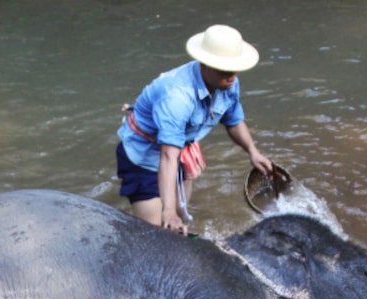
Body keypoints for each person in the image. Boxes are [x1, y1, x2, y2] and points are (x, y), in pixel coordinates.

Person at [116, 24, 275, 235]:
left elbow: (233, 120)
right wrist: (168, 211)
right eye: (224, 71)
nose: (231, 77)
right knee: (156, 232)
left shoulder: (228, 84)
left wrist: (253, 152)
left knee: (181, 217)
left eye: (234, 70)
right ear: (205, 65)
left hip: (181, 148)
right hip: (145, 154)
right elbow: (167, 156)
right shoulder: (178, 96)